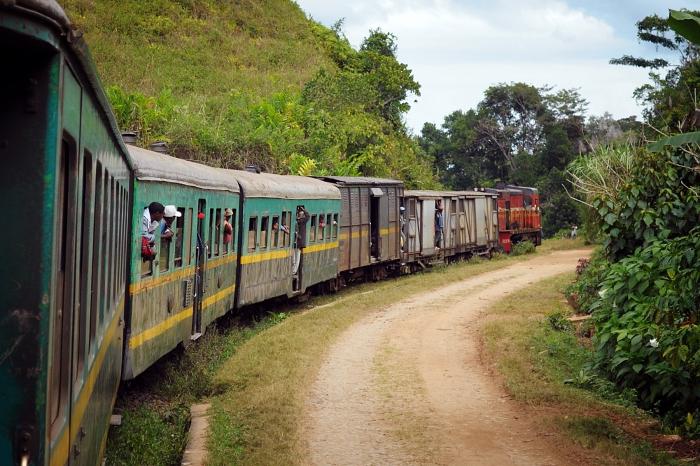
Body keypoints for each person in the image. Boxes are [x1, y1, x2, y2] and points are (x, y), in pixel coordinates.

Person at [293, 205, 309, 276]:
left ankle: (294, 271)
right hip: (295, 242)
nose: (299, 215)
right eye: (299, 214)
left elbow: (308, 216)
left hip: (299, 242)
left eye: (300, 214)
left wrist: (303, 209)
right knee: (294, 257)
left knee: (297, 257)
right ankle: (293, 270)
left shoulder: (303, 221)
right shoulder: (297, 221)